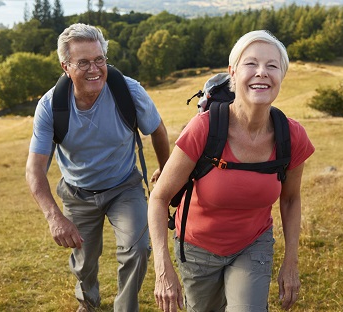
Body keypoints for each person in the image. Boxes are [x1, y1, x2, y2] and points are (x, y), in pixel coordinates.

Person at [147, 30, 315, 312]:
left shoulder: (292, 136)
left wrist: (291, 262)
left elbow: (290, 199)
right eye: (251, 64)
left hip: (253, 244)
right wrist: (163, 270)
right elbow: (159, 198)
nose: (262, 72)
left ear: (281, 77)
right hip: (196, 247)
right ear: (233, 73)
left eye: (272, 66)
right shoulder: (204, 128)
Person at [26, 23, 170, 312]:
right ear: (65, 66)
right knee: (84, 261)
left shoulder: (128, 91)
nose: (94, 69)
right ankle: (89, 303)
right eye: (83, 63)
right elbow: (34, 168)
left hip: (124, 186)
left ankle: (125, 308)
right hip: (77, 193)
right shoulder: (50, 106)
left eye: (99, 59)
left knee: (138, 248)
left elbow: (158, 130)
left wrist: (166, 172)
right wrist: (54, 216)